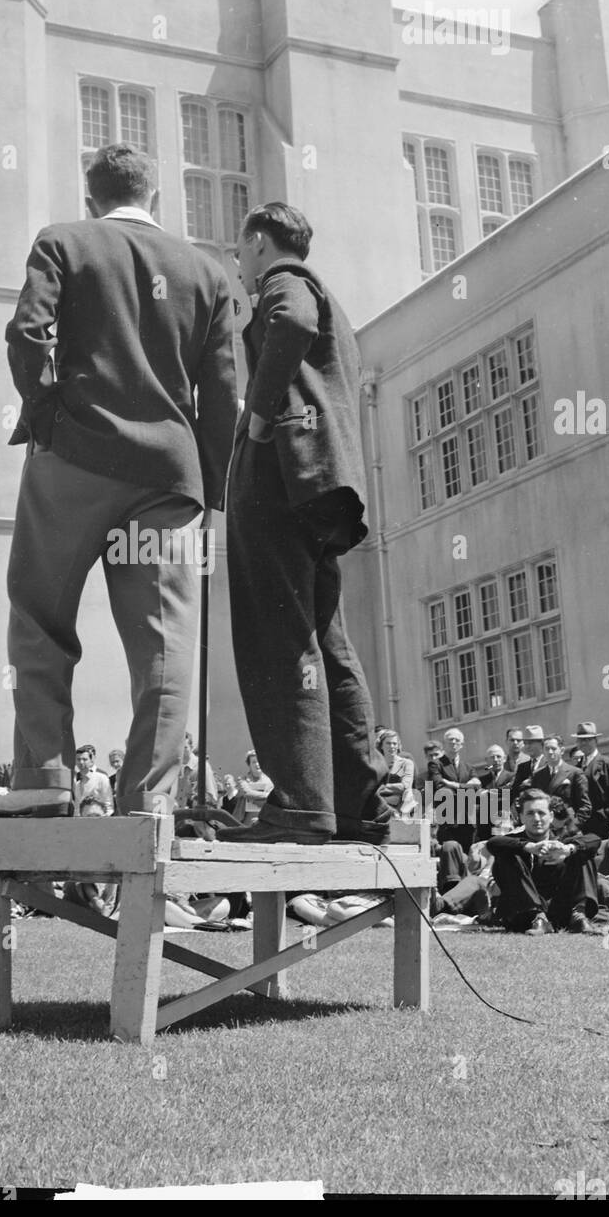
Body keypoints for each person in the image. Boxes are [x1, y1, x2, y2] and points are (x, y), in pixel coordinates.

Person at [0, 142, 237, 819]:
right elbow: (221, 397)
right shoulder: (208, 272)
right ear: (154, 195)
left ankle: (43, 780)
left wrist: (48, 412)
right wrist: (212, 495)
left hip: (73, 458)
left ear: (91, 194)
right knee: (164, 646)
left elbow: (26, 334)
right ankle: (147, 806)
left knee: (41, 620)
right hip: (168, 476)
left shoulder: (63, 242)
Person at [225, 202, 389, 844]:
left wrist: (258, 415)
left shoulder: (285, 285)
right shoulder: (335, 305)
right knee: (327, 642)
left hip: (282, 479)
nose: (239, 267)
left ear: (259, 243)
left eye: (240, 253)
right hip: (324, 486)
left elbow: (288, 321)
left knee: (277, 634)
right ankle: (353, 805)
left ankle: (297, 804)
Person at [480, 788, 606, 934]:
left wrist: (568, 850)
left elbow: (595, 840)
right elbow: (493, 843)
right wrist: (529, 847)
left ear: (551, 816)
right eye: (530, 813)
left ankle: (579, 917)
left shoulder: (561, 842)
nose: (537, 819)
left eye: (541, 813)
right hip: (523, 914)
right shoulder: (513, 842)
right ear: (521, 817)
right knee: (508, 854)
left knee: (582, 852)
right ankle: (537, 917)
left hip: (558, 910)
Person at [572, 721, 609, 840]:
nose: (584, 743)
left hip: (604, 826)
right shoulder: (576, 768)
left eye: (588, 739)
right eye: (581, 740)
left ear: (596, 741)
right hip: (582, 827)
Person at [526, 735, 592, 831]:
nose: (550, 752)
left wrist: (574, 825)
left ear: (561, 750)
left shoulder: (575, 773)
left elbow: (585, 806)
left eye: (553, 748)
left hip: (567, 828)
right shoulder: (537, 775)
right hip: (544, 828)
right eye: (547, 749)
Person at [377, 729, 417, 817]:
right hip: (380, 803)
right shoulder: (376, 765)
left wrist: (381, 788)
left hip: (401, 804)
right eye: (388, 743)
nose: (392, 746)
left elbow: (405, 786)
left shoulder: (407, 763)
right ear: (381, 746)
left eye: (394, 743)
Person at [73, 745, 114, 816]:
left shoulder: (101, 778)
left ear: (91, 761)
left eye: (84, 759)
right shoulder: (77, 783)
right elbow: (77, 809)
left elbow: (109, 805)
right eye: (78, 759)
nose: (81, 762)